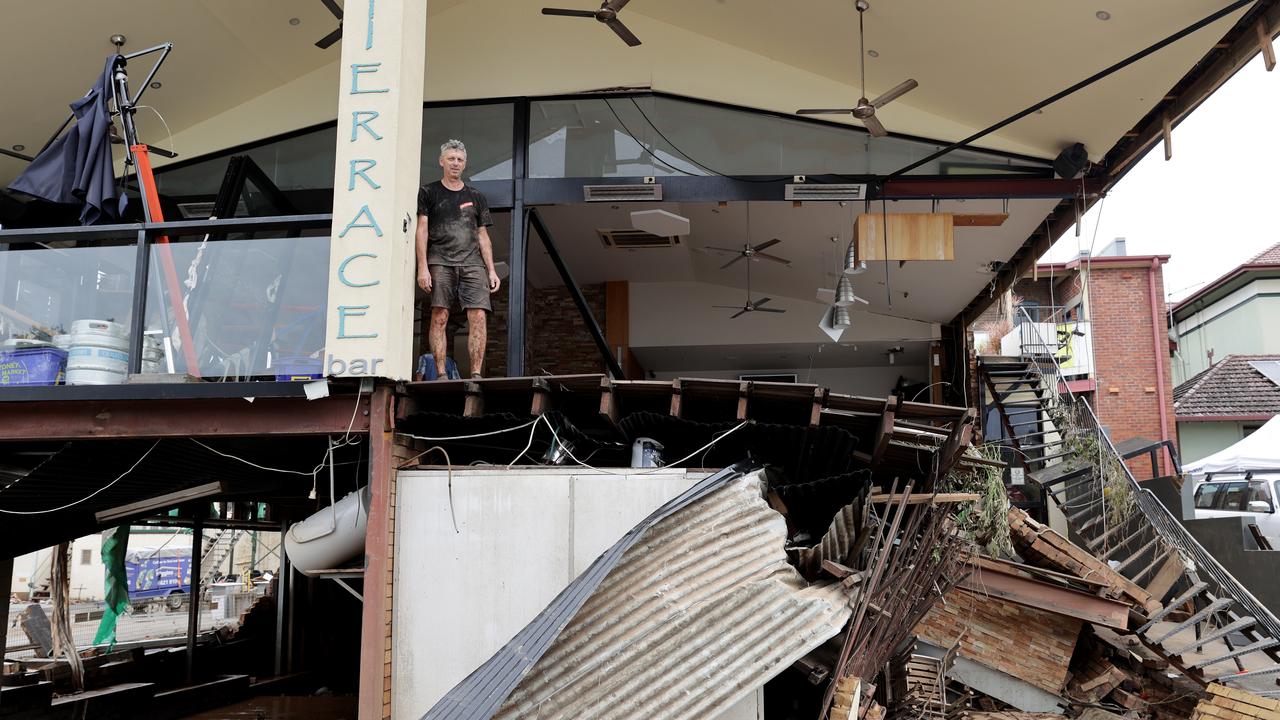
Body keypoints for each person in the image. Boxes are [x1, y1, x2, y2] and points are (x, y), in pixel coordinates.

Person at [416, 139, 500, 379]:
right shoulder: (429, 192)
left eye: (460, 160)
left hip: (473, 262)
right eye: (451, 158)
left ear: (465, 164)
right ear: (441, 161)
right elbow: (422, 229)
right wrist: (423, 267)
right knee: (440, 314)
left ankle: (475, 373)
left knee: (479, 315)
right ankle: (441, 373)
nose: (455, 163)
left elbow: (483, 235)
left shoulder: (476, 196)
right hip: (440, 260)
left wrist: (492, 270)